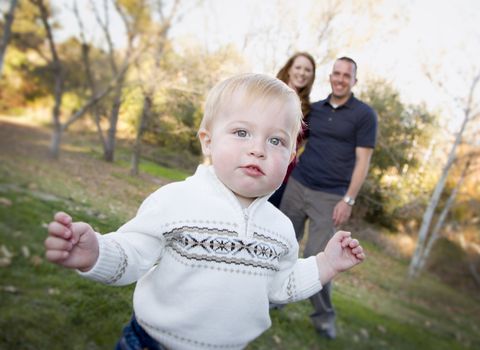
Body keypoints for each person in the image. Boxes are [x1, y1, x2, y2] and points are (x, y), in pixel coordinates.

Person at [44, 73, 366, 350]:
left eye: (276, 140)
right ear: (208, 142)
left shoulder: (279, 229)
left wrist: (326, 263)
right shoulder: (177, 201)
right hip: (151, 343)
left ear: (292, 156)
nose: (258, 148)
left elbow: (281, 285)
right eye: (242, 132)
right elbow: (132, 255)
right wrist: (96, 253)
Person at [279, 57, 378, 339]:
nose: (340, 78)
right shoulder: (316, 110)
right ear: (330, 77)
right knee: (283, 245)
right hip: (298, 185)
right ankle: (275, 299)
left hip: (330, 196)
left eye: (347, 75)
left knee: (319, 257)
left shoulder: (364, 115)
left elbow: (363, 162)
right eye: (336, 73)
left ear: (354, 81)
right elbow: (294, 138)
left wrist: (348, 200)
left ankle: (324, 318)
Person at [268, 52, 316, 208]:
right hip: (258, 157)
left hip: (283, 174)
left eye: (307, 70)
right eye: (298, 67)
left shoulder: (309, 109)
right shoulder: (269, 92)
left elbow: (300, 143)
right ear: (289, 69)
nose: (302, 73)